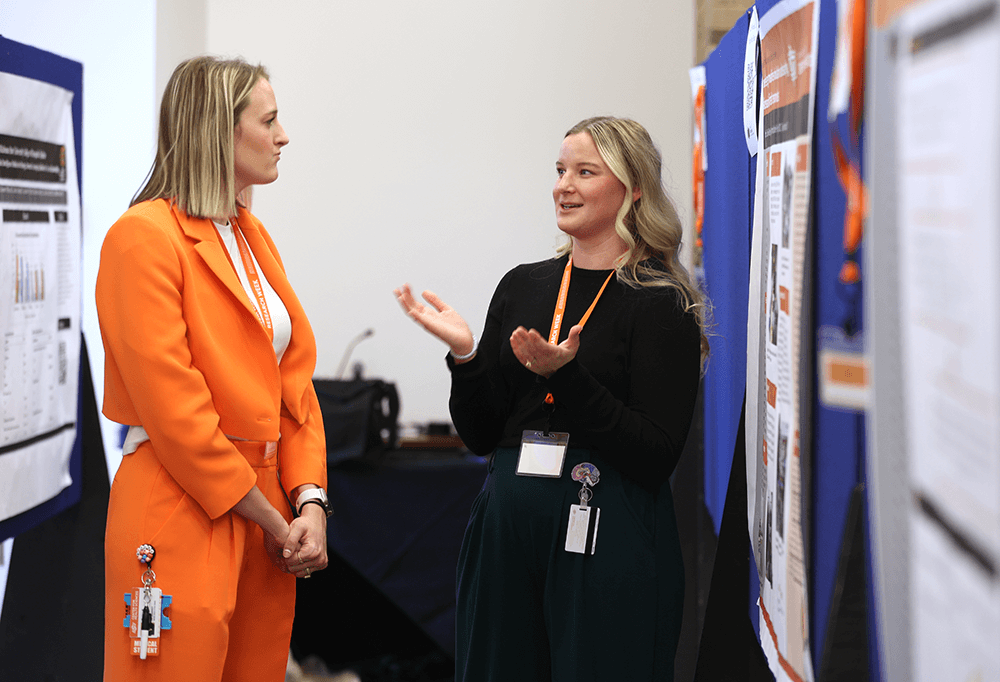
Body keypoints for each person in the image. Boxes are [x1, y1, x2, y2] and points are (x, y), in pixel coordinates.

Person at [395, 116, 709, 681]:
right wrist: (466, 358)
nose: (563, 185)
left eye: (584, 172)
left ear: (633, 187)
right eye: (560, 170)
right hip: (507, 527)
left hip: (607, 532)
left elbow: (656, 453)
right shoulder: (524, 285)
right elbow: (482, 435)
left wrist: (567, 379)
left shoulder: (660, 303)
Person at [97, 56, 330, 682]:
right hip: (182, 505)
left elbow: (295, 389)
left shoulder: (250, 232)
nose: (284, 137)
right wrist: (275, 518)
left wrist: (311, 502)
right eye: (271, 120)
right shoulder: (141, 237)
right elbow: (177, 414)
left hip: (267, 510)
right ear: (217, 130)